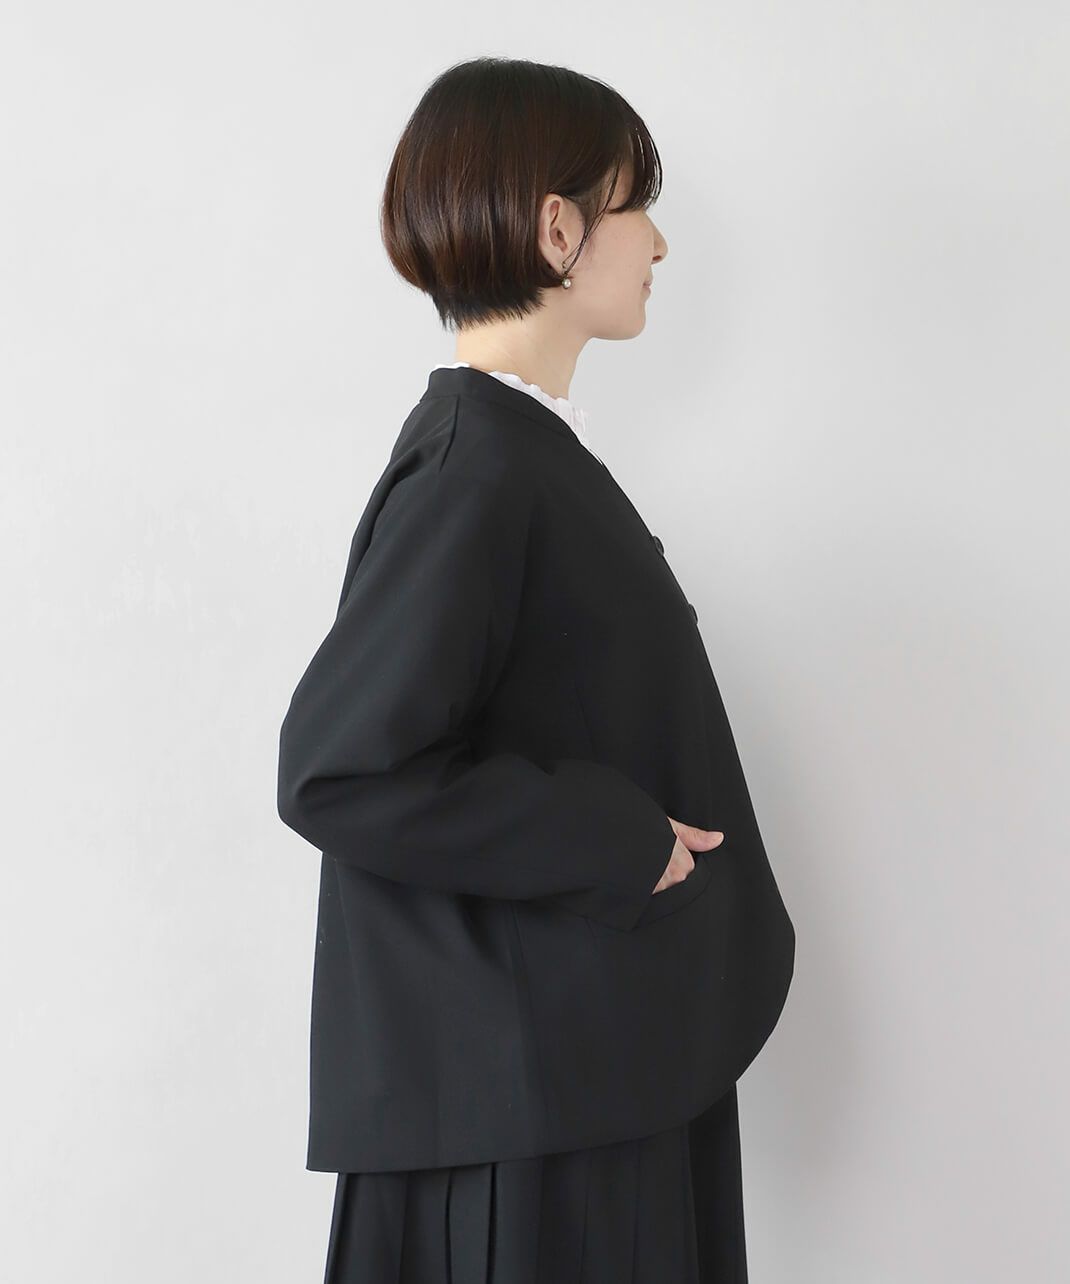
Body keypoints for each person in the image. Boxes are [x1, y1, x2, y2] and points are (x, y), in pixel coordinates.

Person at [277, 55, 795, 1284]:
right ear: (558, 229)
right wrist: (621, 840)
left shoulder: (515, 456)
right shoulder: (479, 467)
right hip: (536, 1137)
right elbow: (341, 771)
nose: (657, 241)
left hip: (571, 1090)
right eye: (633, 203)